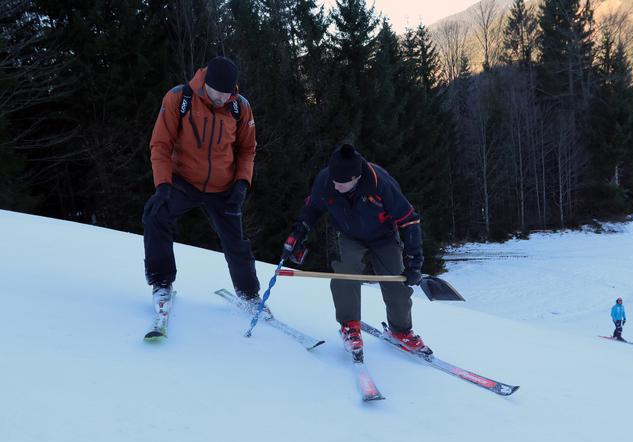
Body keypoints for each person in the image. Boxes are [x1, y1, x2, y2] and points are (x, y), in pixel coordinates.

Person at [281, 144, 431, 357]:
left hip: (383, 236)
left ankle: (401, 330)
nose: (335, 185)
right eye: (334, 180)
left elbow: (409, 220)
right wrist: (299, 232)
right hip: (348, 234)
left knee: (397, 280)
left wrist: (415, 261)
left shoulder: (381, 184)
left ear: (356, 177)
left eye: (341, 182)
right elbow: (312, 207)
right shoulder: (327, 181)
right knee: (345, 271)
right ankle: (349, 325)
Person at [143, 56, 260, 314]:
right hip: (183, 181)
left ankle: (249, 295)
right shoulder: (178, 98)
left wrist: (242, 182)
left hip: (224, 186)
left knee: (237, 242)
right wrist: (163, 184)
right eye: (217, 94)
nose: (221, 99)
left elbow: (247, 149)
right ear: (205, 82)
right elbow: (160, 145)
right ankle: (162, 283)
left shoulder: (240, 107)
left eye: (227, 94)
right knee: (155, 215)